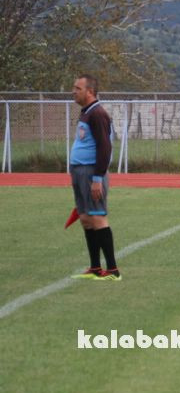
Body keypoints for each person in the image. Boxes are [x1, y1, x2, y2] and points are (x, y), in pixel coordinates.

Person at [69, 74, 121, 281]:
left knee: (98, 217)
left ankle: (113, 270)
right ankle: (95, 268)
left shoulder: (98, 114)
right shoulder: (86, 112)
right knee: (85, 218)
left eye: (78, 88)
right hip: (80, 171)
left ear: (89, 91)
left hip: (91, 172)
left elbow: (105, 147)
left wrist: (98, 178)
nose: (73, 91)